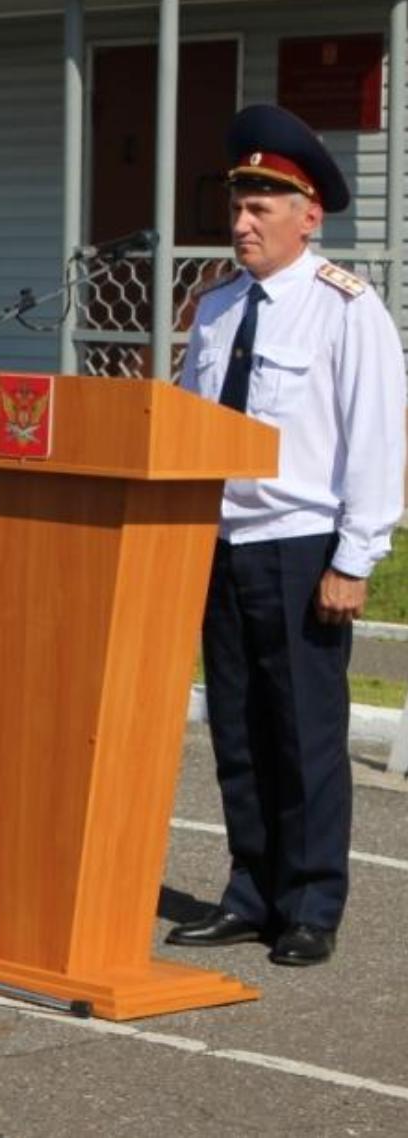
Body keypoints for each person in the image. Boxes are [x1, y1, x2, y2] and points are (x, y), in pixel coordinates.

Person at [170, 104, 406, 967]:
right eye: (237, 204)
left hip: (302, 544)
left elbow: (376, 440)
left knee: (303, 730)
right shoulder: (219, 307)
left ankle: (310, 902)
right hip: (221, 544)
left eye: (261, 207)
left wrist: (355, 557)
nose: (241, 223)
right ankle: (251, 890)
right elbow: (192, 426)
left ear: (309, 214)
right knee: (236, 728)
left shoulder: (347, 310)